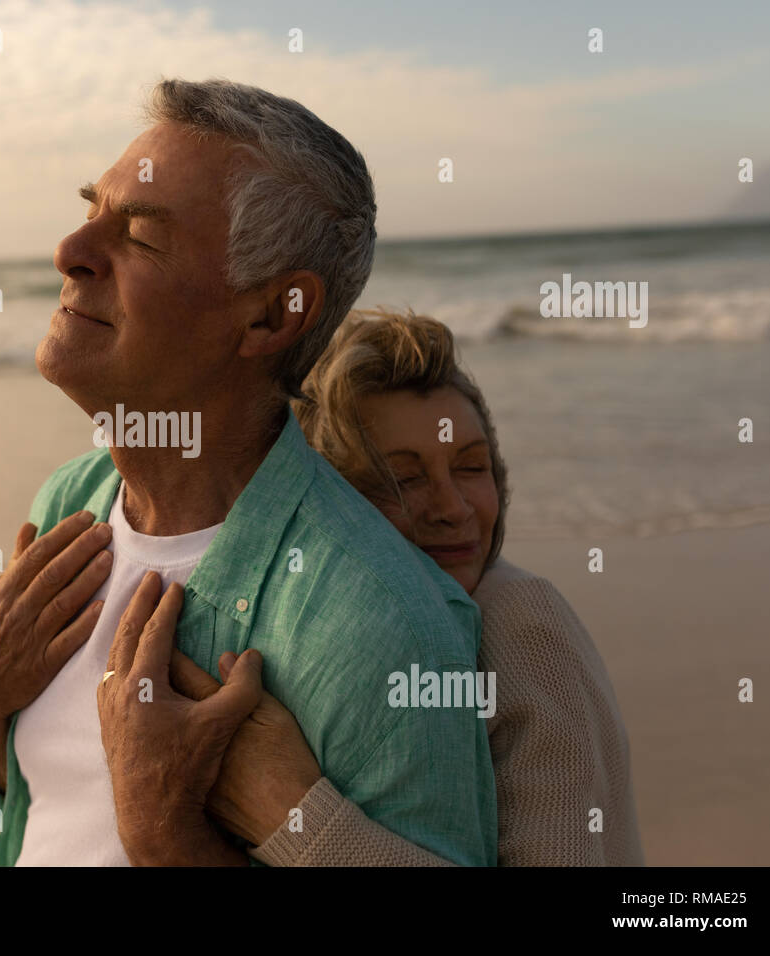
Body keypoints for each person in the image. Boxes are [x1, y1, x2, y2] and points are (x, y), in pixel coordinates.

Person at [0, 79, 497, 866]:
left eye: (137, 234)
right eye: (90, 209)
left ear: (272, 316)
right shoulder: (70, 504)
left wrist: (167, 833)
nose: (68, 251)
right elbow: (47, 813)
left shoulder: (381, 626)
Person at [166, 308, 645, 865]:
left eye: (471, 467)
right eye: (405, 480)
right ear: (331, 504)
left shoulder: (516, 617)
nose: (452, 509)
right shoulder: (349, 620)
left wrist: (290, 815)